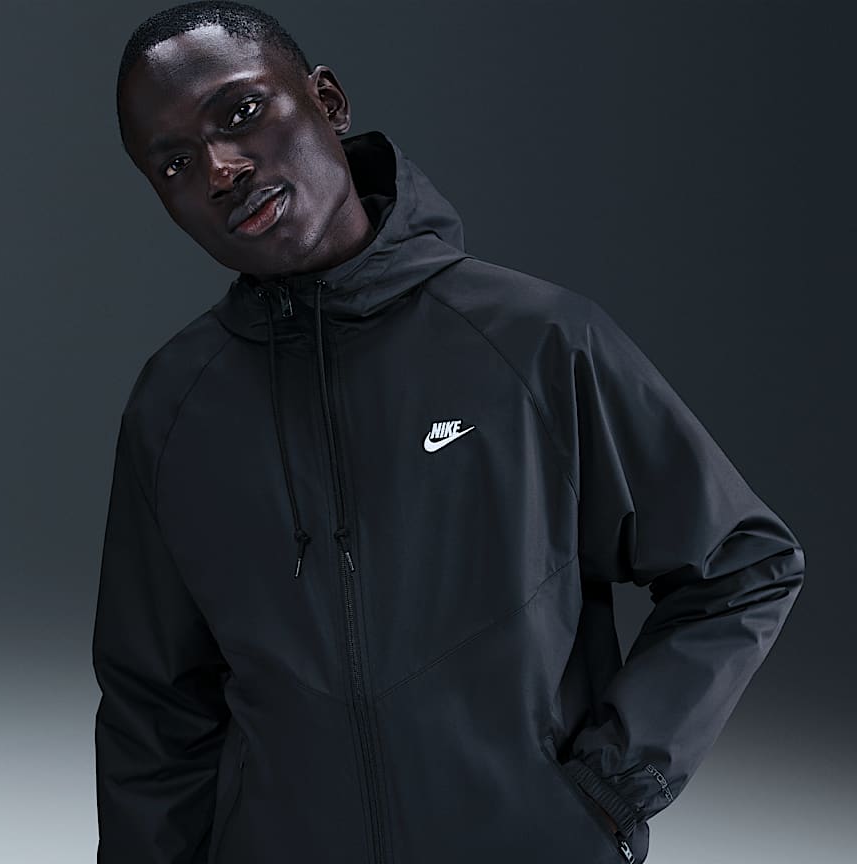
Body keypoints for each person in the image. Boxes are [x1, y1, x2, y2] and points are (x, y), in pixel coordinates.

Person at [92, 2, 805, 863]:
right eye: (173, 162)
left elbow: (743, 563)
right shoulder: (175, 405)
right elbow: (153, 708)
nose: (220, 168)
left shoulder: (536, 343)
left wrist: (616, 786)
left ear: (327, 101)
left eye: (240, 112)